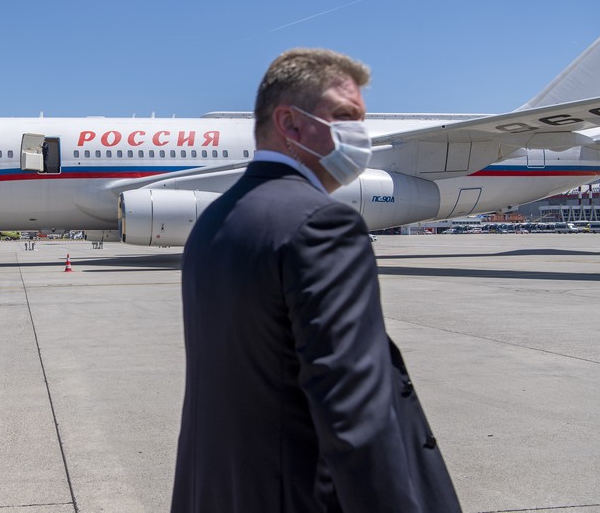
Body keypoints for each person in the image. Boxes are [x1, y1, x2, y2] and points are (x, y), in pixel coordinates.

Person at [171, 49, 461, 512]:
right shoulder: (321, 225)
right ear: (290, 123)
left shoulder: (213, 223)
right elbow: (357, 420)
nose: (360, 136)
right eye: (345, 116)